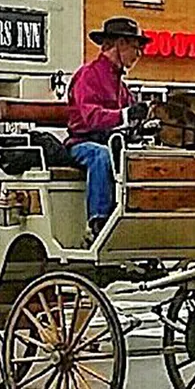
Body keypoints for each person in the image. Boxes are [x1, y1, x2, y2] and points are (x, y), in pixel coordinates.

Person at [66, 17, 151, 241]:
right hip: (82, 144)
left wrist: (143, 125)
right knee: (100, 155)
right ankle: (98, 222)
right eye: (136, 47)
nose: (139, 54)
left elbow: (129, 114)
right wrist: (126, 115)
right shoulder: (88, 75)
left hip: (112, 144)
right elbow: (91, 117)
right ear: (120, 44)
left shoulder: (120, 84)